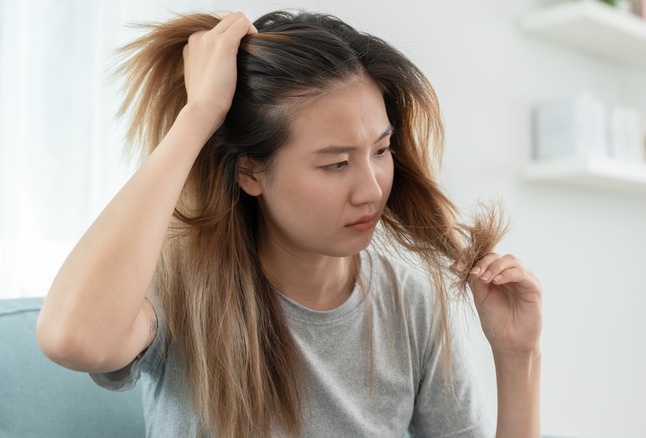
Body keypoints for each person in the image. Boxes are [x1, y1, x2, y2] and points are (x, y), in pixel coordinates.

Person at [36, 10, 542, 438]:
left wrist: (517, 356)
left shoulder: (409, 301)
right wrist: (200, 114)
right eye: (335, 164)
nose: (372, 188)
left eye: (382, 150)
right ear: (251, 172)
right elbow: (73, 337)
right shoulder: (180, 292)